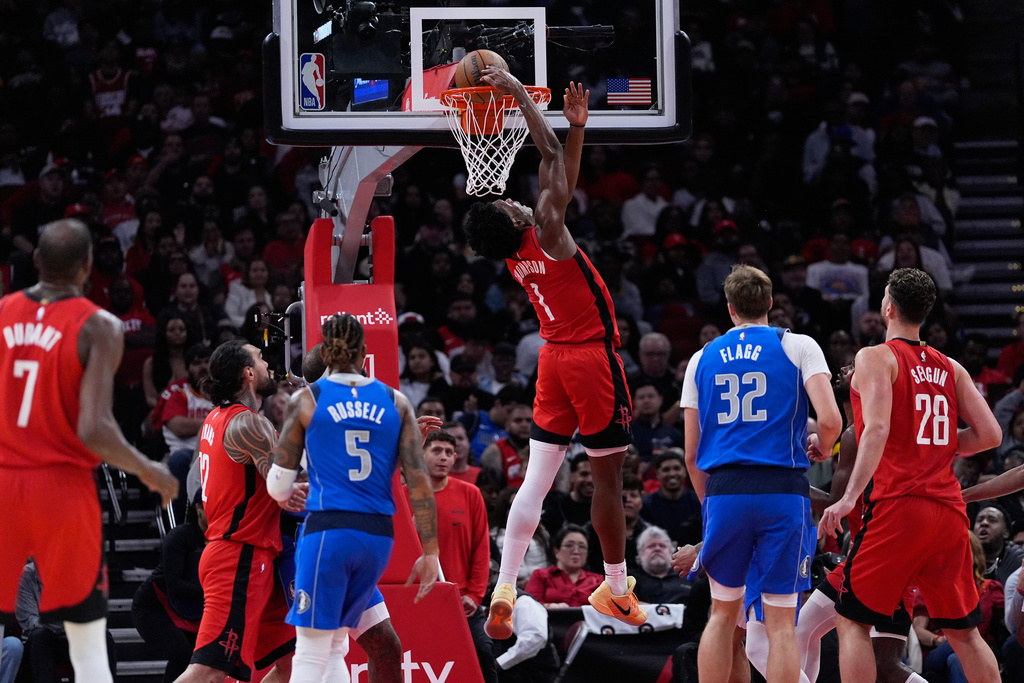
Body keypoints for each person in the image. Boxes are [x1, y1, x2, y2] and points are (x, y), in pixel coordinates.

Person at [463, 72, 644, 638]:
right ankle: (617, 589)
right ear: (518, 218)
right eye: (511, 202)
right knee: (608, 479)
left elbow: (557, 168)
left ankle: (506, 584)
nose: (516, 198)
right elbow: (549, 157)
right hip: (591, 360)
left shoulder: (518, 253)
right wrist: (522, 94)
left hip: (551, 361)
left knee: (536, 482)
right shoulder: (545, 229)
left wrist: (576, 131)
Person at [0, 219, 178, 683]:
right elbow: (94, 428)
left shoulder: (1, 313)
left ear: (36, 261)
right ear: (87, 267)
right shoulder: (99, 325)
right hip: (60, 491)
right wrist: (148, 469)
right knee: (86, 636)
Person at [819, 267, 1004, 683]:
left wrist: (849, 497)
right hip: (949, 513)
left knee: (851, 622)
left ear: (887, 307)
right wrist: (936, 442)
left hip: (899, 507)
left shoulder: (874, 357)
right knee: (965, 634)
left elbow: (879, 428)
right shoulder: (950, 367)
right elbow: (991, 435)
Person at [681, 264, 841, 683]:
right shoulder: (799, 345)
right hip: (782, 491)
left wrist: (711, 506)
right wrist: (823, 446)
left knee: (721, 614)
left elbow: (691, 453)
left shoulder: (701, 358)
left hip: (725, 490)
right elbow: (830, 420)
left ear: (730, 308)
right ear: (770, 303)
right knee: (781, 623)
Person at [267, 314, 440, 682]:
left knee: (316, 653)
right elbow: (418, 482)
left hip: (328, 534)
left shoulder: (308, 401)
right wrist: (431, 551)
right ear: (364, 352)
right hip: (375, 540)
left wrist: (285, 493)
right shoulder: (395, 401)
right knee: (340, 647)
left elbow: (278, 485)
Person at [174, 340, 301, 683]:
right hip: (239, 557)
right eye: (260, 359)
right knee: (208, 671)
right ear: (247, 373)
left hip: (256, 555)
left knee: (294, 664)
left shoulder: (215, 419)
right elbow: (285, 485)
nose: (268, 365)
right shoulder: (250, 424)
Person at [405, 429, 495, 682]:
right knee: (419, 660)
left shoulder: (471, 494)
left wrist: (476, 596)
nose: (443, 457)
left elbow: (481, 548)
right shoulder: (403, 495)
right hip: (417, 599)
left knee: (483, 653)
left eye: (448, 452)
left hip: (462, 599)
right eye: (436, 451)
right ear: (422, 455)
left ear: (455, 458)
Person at [133, 490, 207, 682]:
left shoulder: (221, 539)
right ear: (199, 508)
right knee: (182, 653)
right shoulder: (180, 536)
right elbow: (174, 584)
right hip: (153, 607)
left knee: (201, 659)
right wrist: (214, 594)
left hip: (191, 608)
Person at [524, 525, 603, 608]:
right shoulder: (540, 575)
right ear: (556, 551)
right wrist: (550, 606)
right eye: (569, 545)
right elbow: (530, 606)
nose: (576, 551)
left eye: (582, 547)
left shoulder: (598, 580)